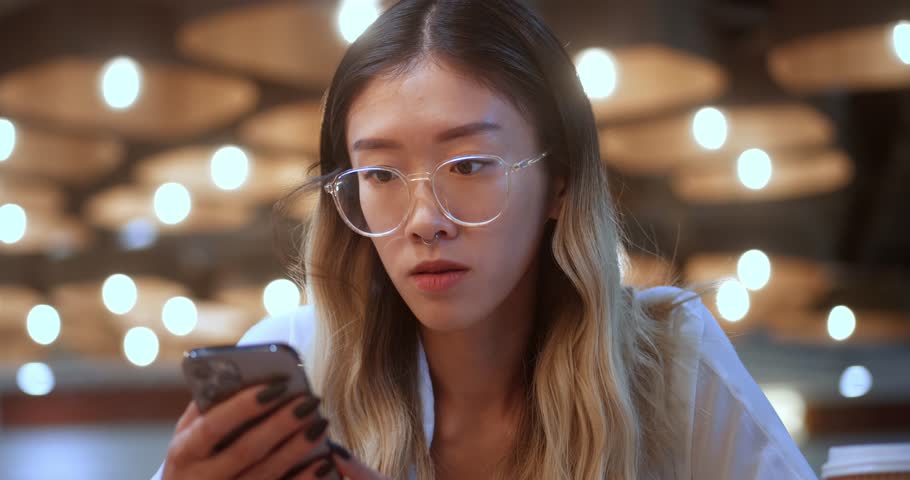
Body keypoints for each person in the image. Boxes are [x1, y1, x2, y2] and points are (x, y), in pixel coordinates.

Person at [154, 0, 819, 478]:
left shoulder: (667, 363)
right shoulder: (301, 362)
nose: (424, 219)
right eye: (381, 173)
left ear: (559, 181)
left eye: (469, 166)